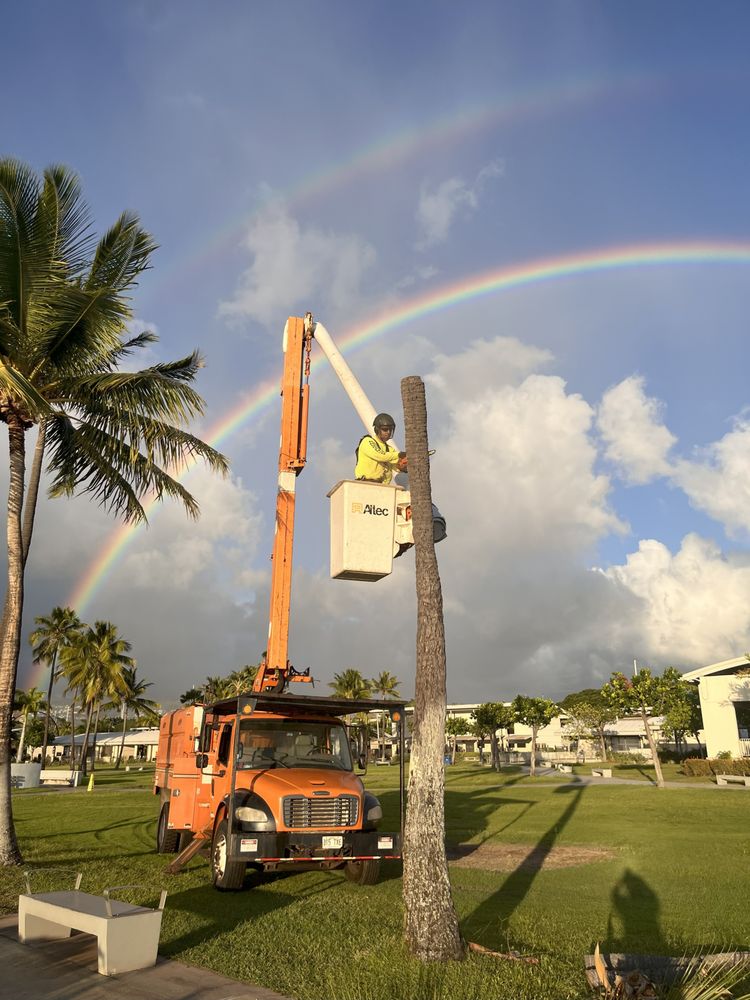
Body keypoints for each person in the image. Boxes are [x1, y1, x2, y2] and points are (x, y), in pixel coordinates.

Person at [354, 412, 408, 485]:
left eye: (390, 430)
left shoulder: (389, 449)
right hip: (365, 484)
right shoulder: (368, 441)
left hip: (381, 486)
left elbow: (396, 466)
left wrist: (404, 464)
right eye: (385, 429)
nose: (388, 432)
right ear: (377, 429)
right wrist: (399, 455)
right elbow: (380, 456)